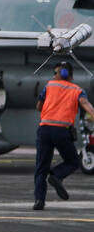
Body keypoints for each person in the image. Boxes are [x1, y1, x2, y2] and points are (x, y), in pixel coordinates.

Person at [33, 60, 94, 210]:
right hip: (61, 131)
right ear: (70, 75)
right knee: (73, 161)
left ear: (61, 73)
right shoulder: (77, 90)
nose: (54, 75)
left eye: (55, 73)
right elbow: (86, 105)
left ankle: (39, 201)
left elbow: (38, 107)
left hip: (45, 130)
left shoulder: (49, 86)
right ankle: (57, 176)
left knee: (41, 167)